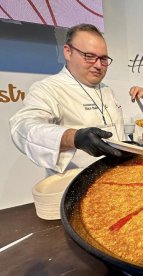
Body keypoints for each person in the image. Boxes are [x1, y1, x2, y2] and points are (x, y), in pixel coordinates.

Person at [9, 24, 124, 175]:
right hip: (75, 183)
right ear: (68, 52)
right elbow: (23, 127)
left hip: (119, 179)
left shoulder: (106, 90)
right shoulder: (48, 88)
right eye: (89, 56)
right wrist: (74, 138)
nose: (98, 65)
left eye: (103, 59)